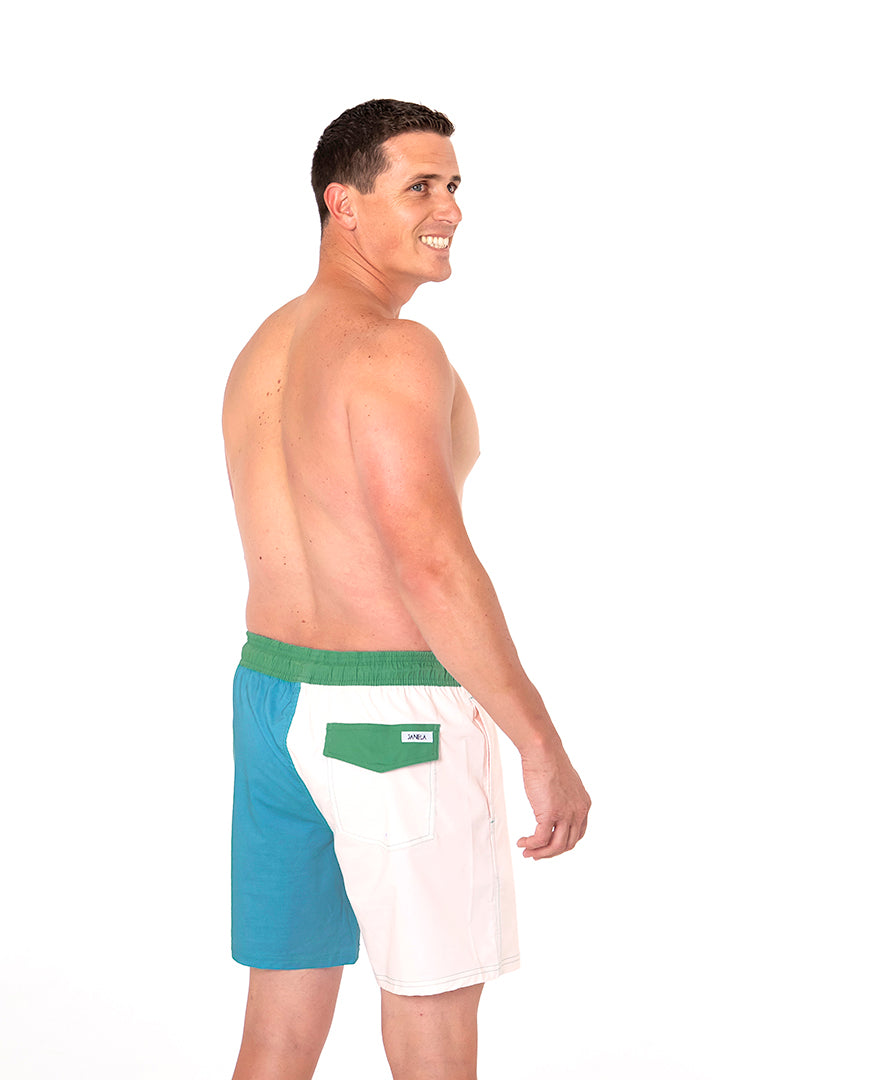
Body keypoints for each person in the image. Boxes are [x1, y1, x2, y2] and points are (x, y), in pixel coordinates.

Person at [221, 99, 591, 1080]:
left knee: (278, 1028)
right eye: (420, 186)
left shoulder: (264, 347)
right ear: (342, 203)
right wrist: (539, 741)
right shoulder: (395, 351)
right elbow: (428, 560)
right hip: (386, 721)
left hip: (271, 704)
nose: (450, 209)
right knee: (433, 1014)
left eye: (455, 186)